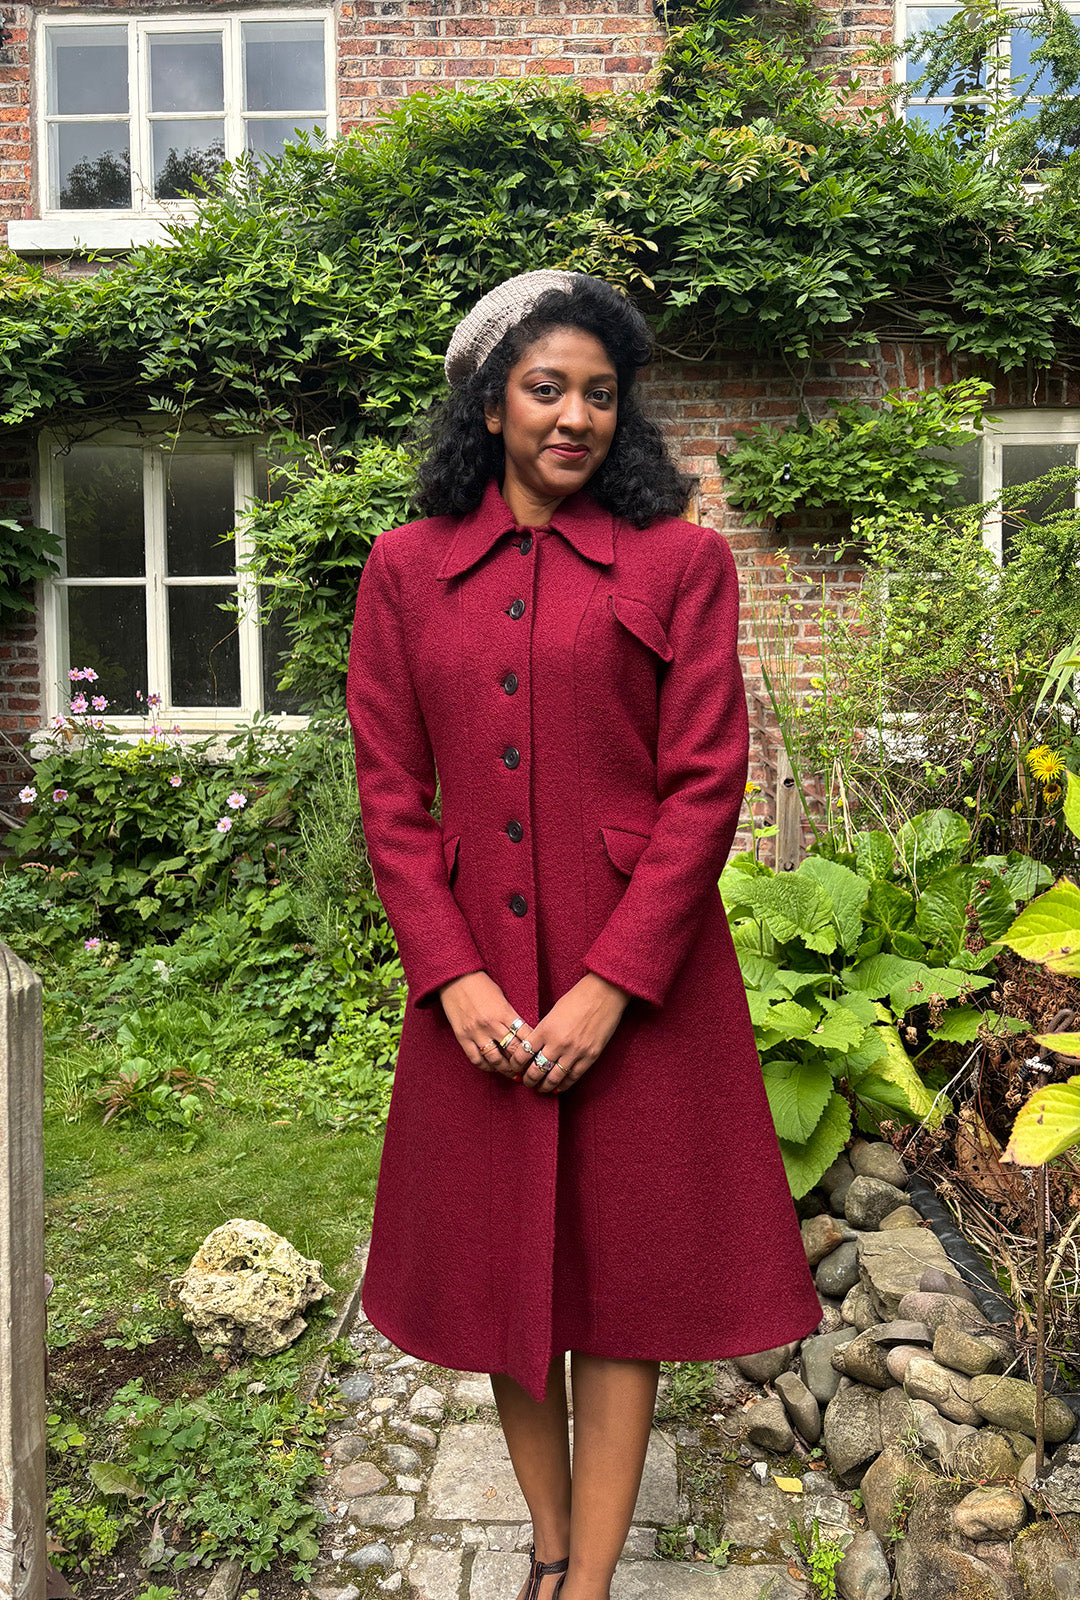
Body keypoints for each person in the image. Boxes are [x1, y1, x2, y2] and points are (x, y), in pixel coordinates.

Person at [345, 270, 824, 1600]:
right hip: (479, 996)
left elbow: (705, 787)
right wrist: (449, 978)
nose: (575, 418)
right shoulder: (405, 571)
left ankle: (590, 1581)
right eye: (546, 389)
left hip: (641, 991)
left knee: (620, 1298)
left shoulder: (684, 563)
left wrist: (614, 986)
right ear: (491, 402)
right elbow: (390, 798)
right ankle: (545, 1547)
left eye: (600, 395)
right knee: (508, 1288)